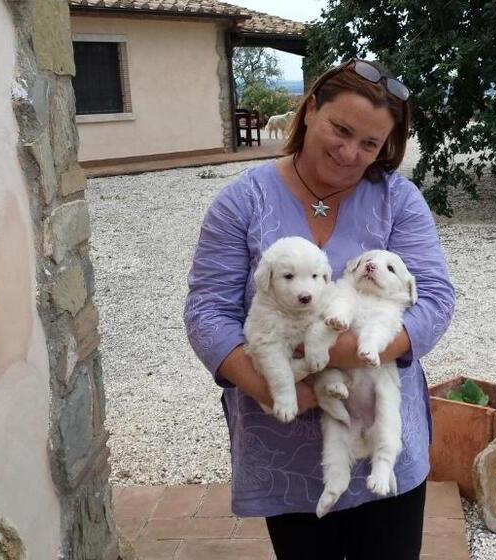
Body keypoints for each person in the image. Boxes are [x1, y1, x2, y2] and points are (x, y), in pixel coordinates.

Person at [184, 59, 455, 560]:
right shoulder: (240, 203)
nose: (350, 153)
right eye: (341, 129)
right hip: (282, 438)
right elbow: (206, 310)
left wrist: (335, 354)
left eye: (370, 144)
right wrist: (269, 383)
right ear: (309, 110)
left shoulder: (399, 201)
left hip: (381, 427)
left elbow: (434, 300)